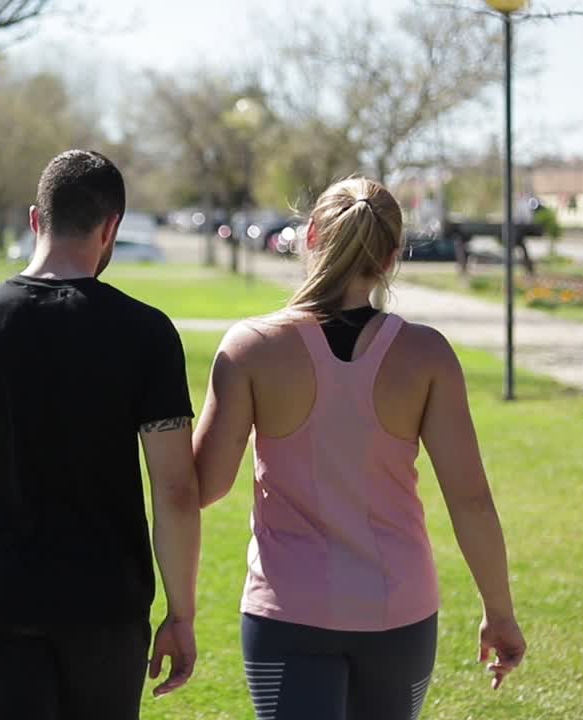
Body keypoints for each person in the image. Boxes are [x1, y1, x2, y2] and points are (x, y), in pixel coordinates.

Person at [192, 177, 526, 720]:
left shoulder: (250, 347)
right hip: (400, 616)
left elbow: (204, 487)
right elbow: (472, 503)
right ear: (392, 257)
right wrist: (500, 613)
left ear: (311, 236)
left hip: (288, 615)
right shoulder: (428, 355)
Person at [0, 150, 202, 720]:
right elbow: (175, 491)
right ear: (111, 226)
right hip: (108, 609)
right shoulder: (147, 333)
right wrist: (181, 614)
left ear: (34, 219)